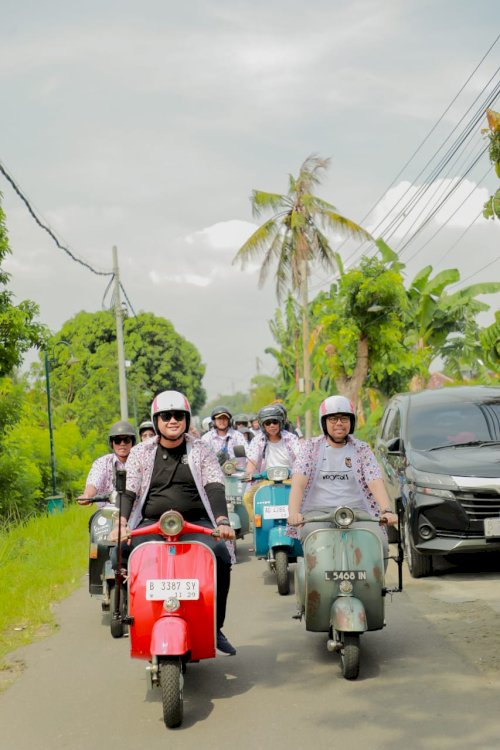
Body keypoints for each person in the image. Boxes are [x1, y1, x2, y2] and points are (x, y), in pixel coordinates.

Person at [110, 390, 237, 656]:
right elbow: (129, 490)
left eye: (178, 415)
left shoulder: (201, 449)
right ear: (156, 420)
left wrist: (222, 520)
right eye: (166, 416)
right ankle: (135, 614)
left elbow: (214, 485)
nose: (172, 421)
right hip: (152, 524)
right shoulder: (141, 452)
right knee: (119, 553)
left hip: (196, 523)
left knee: (221, 556)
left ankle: (215, 627)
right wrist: (121, 523)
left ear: (186, 419)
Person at [287, 395, 398, 561]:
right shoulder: (311, 447)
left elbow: (375, 481)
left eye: (344, 418)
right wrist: (294, 513)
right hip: (317, 513)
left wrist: (386, 511)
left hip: (357, 511)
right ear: (324, 422)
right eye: (333, 419)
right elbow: (298, 483)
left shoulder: (362, 449)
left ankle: (373, 579)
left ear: (351, 422)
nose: (339, 423)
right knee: (313, 540)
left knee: (379, 542)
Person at [243, 404, 300, 524]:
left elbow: (301, 459)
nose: (272, 425)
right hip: (265, 481)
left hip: (291, 480)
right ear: (263, 425)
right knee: (247, 498)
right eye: (268, 423)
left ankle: (301, 525)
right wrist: (249, 474)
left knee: (307, 497)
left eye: (275, 422)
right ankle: (258, 526)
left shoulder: (291, 438)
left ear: (281, 422)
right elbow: (252, 462)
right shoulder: (257, 440)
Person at [77, 420, 136, 504]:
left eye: (126, 440)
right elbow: (94, 481)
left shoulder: (139, 462)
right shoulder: (102, 462)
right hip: (107, 510)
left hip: (134, 511)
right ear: (112, 443)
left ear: (132, 442)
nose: (122, 443)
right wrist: (87, 496)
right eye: (117, 440)